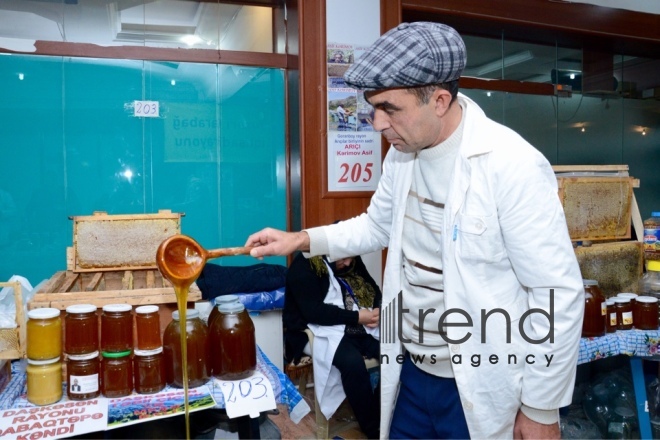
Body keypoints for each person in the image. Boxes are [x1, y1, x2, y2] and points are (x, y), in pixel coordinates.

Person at [246, 21, 584, 439]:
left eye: (390, 108)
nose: (376, 124)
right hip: (412, 374)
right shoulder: (403, 157)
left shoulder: (511, 166)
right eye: (373, 107)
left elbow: (557, 293)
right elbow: (376, 225)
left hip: (478, 384)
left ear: (439, 100)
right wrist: (300, 240)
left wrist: (540, 407)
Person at [284, 252, 381, 439]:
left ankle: (379, 413)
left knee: (393, 354)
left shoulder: (349, 257)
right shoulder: (304, 266)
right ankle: (373, 429)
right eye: (344, 259)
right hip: (311, 329)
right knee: (352, 362)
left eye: (351, 259)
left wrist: (376, 307)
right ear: (331, 249)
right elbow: (314, 312)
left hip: (351, 325)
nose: (347, 264)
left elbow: (373, 289)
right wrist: (358, 317)